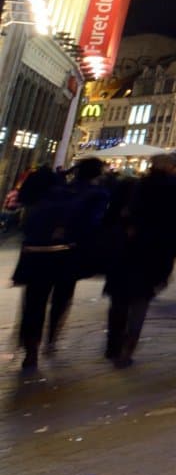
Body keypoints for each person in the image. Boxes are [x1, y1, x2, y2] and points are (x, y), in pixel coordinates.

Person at [11, 159, 109, 371]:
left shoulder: (56, 191)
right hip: (68, 253)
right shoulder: (96, 194)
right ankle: (52, 338)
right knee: (61, 298)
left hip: (36, 253)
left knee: (34, 302)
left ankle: (31, 350)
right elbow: (93, 225)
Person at [102, 154, 176, 368]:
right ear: (171, 167)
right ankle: (128, 347)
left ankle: (113, 345)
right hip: (156, 251)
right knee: (141, 300)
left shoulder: (133, 185)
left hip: (126, 248)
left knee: (119, 300)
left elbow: (112, 216)